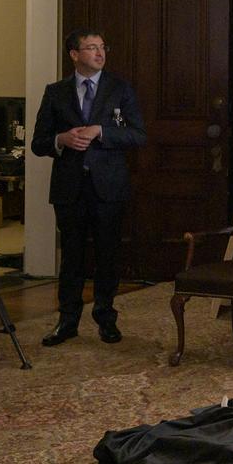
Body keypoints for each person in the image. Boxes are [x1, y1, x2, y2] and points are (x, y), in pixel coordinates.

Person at [32, 29, 146, 346]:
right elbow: (38, 143)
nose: (99, 53)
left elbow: (138, 135)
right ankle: (67, 321)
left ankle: (105, 317)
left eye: (102, 47)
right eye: (91, 47)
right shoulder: (55, 92)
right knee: (71, 257)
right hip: (70, 188)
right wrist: (61, 140)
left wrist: (101, 131)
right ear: (74, 54)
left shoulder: (119, 88)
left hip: (108, 187)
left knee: (107, 254)